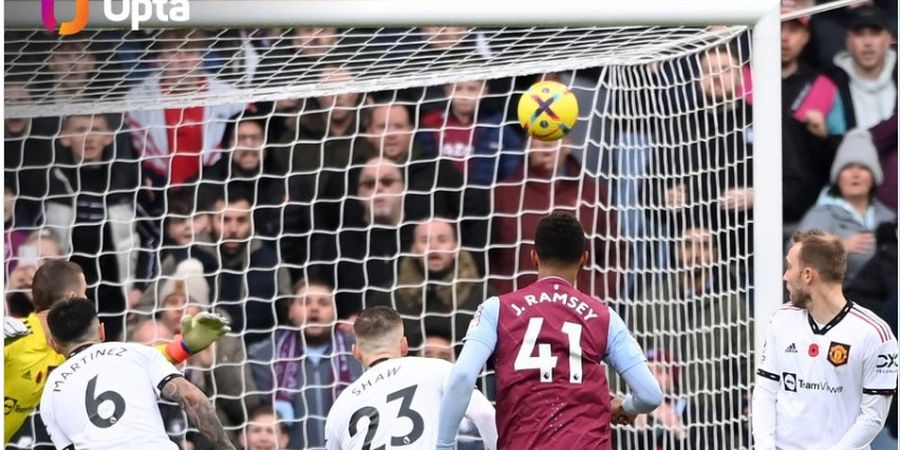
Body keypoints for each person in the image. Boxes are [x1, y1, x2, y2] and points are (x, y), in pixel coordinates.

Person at [437, 212, 663, 449]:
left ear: (533, 257)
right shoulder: (604, 317)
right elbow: (650, 394)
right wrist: (626, 407)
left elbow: (462, 377)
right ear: (584, 259)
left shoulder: (497, 309)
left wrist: (443, 445)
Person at [3, 260, 228, 444]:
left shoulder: (72, 346)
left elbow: (136, 360)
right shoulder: (12, 338)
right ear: (73, 298)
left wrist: (185, 347)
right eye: (85, 293)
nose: (87, 299)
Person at [752, 229, 898, 449]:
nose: (785, 276)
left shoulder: (874, 334)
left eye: (790, 267)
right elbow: (765, 390)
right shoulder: (781, 319)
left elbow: (873, 417)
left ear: (808, 275)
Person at [39, 297, 235, 449]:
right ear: (101, 331)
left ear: (54, 345)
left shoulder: (50, 393)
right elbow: (190, 396)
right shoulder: (135, 352)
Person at [324, 306, 497, 450]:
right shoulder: (437, 369)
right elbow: (485, 414)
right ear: (404, 345)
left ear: (356, 352)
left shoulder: (339, 407)